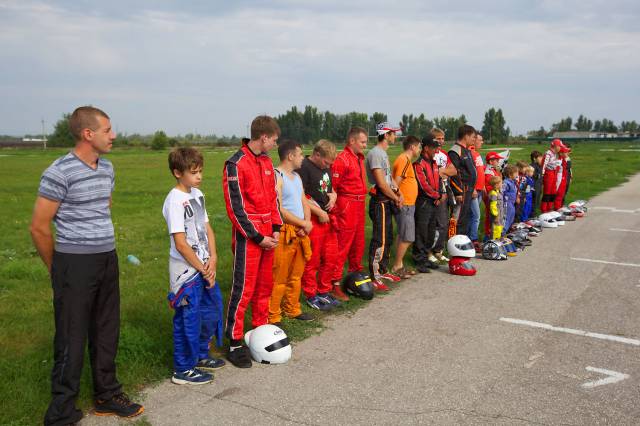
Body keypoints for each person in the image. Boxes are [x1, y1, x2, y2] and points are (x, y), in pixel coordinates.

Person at [30, 106, 143, 425]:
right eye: (108, 130)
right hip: (74, 263)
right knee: (71, 336)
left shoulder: (107, 168)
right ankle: (62, 410)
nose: (114, 135)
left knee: (106, 329)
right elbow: (38, 227)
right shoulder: (59, 171)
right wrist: (57, 269)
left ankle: (107, 395)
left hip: (107, 258)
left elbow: (103, 207)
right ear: (87, 134)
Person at [222, 115, 283, 368]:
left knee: (264, 286)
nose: (275, 145)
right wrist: (257, 237)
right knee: (243, 289)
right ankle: (234, 342)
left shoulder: (267, 162)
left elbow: (273, 199)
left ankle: (260, 332)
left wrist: (276, 228)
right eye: (274, 140)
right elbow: (235, 208)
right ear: (264, 137)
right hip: (249, 237)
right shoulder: (235, 163)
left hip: (269, 233)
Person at [162, 147, 225, 385]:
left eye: (200, 171)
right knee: (187, 320)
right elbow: (180, 243)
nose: (199, 176)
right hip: (186, 272)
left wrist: (213, 257)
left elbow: (207, 228)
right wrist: (201, 267)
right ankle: (183, 368)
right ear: (178, 173)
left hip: (204, 266)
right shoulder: (174, 201)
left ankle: (200, 354)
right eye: (193, 172)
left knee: (210, 311)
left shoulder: (197, 194)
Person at [269, 140, 314, 325]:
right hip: (285, 232)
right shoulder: (277, 176)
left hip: (300, 232)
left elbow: (304, 201)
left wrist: (307, 223)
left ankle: (292, 309)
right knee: (279, 275)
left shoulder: (297, 177)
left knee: (296, 275)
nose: (303, 158)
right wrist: (302, 223)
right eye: (300, 154)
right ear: (290, 156)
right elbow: (279, 209)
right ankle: (273, 315)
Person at [298, 140, 341, 311]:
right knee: (313, 259)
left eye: (330, 164)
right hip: (314, 219)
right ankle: (310, 294)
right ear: (316, 154)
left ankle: (324, 290)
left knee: (330, 257)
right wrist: (318, 212)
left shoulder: (326, 167)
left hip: (327, 218)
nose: (327, 166)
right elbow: (300, 196)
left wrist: (334, 196)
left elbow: (329, 188)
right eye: (326, 162)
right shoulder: (304, 167)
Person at [330, 127, 369, 300]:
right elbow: (333, 187)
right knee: (343, 245)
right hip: (347, 204)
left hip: (360, 203)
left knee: (358, 243)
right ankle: (334, 283)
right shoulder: (342, 159)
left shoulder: (359, 158)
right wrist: (337, 211)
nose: (365, 145)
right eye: (362, 142)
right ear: (352, 141)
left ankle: (355, 278)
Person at [366, 122, 404, 290]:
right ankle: (374, 275)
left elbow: (389, 179)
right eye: (393, 133)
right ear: (386, 135)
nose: (395, 136)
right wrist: (395, 197)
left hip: (387, 200)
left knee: (388, 237)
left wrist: (399, 192)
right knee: (379, 239)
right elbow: (381, 183)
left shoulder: (383, 153)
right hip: (380, 201)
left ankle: (383, 270)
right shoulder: (375, 153)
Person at [390, 135, 421, 277]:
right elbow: (395, 183)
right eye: (418, 147)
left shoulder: (406, 160)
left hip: (409, 204)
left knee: (403, 235)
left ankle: (399, 264)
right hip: (405, 204)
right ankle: (397, 266)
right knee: (408, 237)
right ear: (412, 147)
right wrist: (398, 197)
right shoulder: (404, 160)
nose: (419, 150)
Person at [412, 136, 443, 273]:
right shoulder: (418, 164)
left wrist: (440, 194)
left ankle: (426, 257)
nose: (437, 150)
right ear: (426, 148)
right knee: (421, 232)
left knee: (430, 232)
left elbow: (439, 181)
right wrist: (437, 195)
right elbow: (423, 185)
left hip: (434, 202)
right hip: (424, 202)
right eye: (434, 147)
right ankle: (419, 260)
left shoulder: (434, 163)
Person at [430, 128, 457, 263]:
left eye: (442, 138)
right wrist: (441, 172)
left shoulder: (444, 154)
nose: (441, 141)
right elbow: (431, 173)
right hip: (433, 191)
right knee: (434, 222)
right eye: (438, 138)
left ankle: (438, 250)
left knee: (444, 221)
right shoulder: (430, 153)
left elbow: (453, 171)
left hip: (445, 190)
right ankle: (429, 251)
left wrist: (442, 171)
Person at [448, 125, 477, 238]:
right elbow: (453, 173)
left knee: (464, 219)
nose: (474, 139)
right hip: (461, 191)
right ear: (466, 136)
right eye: (473, 137)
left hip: (468, 190)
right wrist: (458, 192)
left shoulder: (467, 150)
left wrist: (473, 188)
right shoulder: (455, 151)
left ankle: (461, 241)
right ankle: (452, 242)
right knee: (457, 219)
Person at [467, 132, 485, 251]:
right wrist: (472, 188)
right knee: (476, 216)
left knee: (472, 215)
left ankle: (469, 238)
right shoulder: (470, 153)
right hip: (473, 190)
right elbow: (468, 173)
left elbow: (480, 171)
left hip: (479, 189)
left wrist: (483, 186)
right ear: (474, 140)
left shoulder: (477, 154)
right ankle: (473, 239)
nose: (481, 142)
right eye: (480, 140)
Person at [483, 151, 503, 241]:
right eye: (496, 160)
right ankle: (488, 236)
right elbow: (489, 187)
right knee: (491, 217)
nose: (498, 161)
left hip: (496, 197)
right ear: (491, 161)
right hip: (492, 198)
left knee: (497, 217)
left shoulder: (493, 170)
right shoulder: (488, 172)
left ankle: (496, 234)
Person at [540, 139, 564, 212]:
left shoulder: (554, 154)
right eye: (559, 146)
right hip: (548, 174)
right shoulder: (548, 153)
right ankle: (544, 209)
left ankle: (549, 208)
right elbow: (544, 165)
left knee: (553, 191)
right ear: (555, 146)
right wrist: (542, 175)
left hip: (553, 173)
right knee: (547, 192)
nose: (560, 148)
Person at [487, 175, 505, 240]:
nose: (502, 184)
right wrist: (495, 215)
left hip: (500, 215)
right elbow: (493, 205)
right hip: (496, 216)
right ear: (496, 185)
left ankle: (498, 239)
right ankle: (494, 241)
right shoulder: (493, 194)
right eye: (501, 183)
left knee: (500, 228)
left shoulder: (498, 192)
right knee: (495, 229)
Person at [502, 164, 519, 232]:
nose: (517, 174)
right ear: (510, 174)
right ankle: (502, 233)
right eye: (516, 173)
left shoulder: (513, 182)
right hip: (507, 203)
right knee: (507, 219)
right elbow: (502, 192)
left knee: (511, 217)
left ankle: (507, 231)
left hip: (512, 203)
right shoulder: (506, 182)